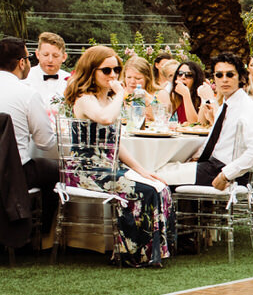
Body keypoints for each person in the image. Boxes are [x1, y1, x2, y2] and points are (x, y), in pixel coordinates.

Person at [60, 45, 173, 267]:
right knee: (145, 191)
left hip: (109, 167)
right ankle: (133, 253)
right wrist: (121, 94)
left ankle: (154, 252)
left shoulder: (108, 99)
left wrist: (142, 170)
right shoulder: (85, 98)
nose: (113, 75)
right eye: (106, 70)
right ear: (92, 70)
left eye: (116, 69)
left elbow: (115, 143)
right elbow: (104, 119)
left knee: (159, 186)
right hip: (86, 170)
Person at [157, 52, 253, 192]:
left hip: (225, 173)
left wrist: (226, 175)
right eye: (219, 75)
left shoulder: (248, 107)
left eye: (230, 74)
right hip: (211, 166)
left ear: (240, 77)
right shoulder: (226, 105)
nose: (224, 79)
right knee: (159, 169)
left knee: (156, 177)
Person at [0, 35, 58, 236]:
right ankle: (43, 236)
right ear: (22, 62)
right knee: (54, 170)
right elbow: (45, 143)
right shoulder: (26, 93)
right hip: (14, 174)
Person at [26, 32, 68, 106]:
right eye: (45, 55)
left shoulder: (70, 80)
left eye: (55, 56)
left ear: (64, 57)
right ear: (37, 54)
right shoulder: (26, 78)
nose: (50, 60)